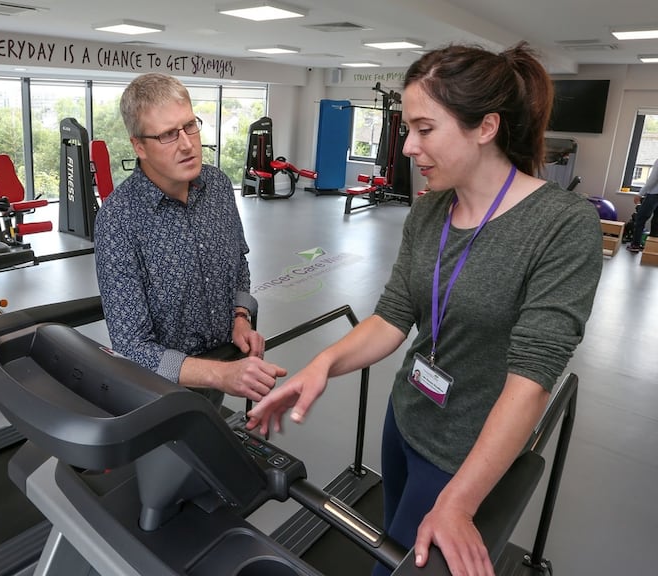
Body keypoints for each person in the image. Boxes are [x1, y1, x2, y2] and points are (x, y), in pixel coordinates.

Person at [246, 43, 602, 576]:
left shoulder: (562, 224)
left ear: (485, 127)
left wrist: (458, 501)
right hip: (406, 417)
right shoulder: (432, 208)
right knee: (388, 542)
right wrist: (322, 365)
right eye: (407, 129)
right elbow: (393, 315)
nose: (408, 146)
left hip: (466, 450)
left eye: (425, 129)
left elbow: (532, 377)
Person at [94, 72, 286, 403]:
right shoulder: (118, 220)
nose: (187, 144)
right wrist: (218, 374)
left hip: (221, 373)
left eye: (190, 126)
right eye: (168, 135)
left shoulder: (219, 188)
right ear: (139, 146)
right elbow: (131, 346)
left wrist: (240, 317)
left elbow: (238, 263)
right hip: (155, 395)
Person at [627, 156, 658, 252]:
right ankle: (651, 248)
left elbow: (652, 179)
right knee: (656, 221)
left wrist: (640, 194)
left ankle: (635, 245)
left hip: (654, 194)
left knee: (640, 219)